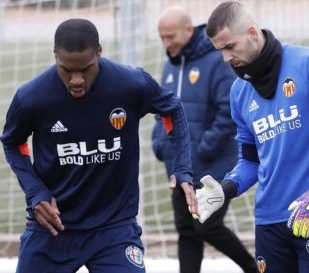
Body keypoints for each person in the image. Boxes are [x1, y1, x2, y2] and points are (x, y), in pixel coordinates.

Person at [0, 18, 197, 273]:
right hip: (53, 227)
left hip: (114, 228)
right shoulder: (32, 97)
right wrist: (35, 191)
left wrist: (181, 167)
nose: (76, 79)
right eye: (67, 70)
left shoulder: (131, 83)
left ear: (99, 52)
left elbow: (172, 109)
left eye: (85, 68)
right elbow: (13, 143)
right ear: (55, 56)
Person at [193, 1, 309, 272]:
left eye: (229, 47)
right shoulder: (239, 92)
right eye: (220, 51)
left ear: (252, 33)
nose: (226, 58)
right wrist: (226, 188)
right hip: (269, 220)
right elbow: (251, 161)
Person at [151, 6, 256, 273]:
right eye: (162, 37)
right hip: (179, 168)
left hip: (213, 166)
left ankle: (254, 268)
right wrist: (161, 143)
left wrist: (202, 148)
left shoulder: (216, 60)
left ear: (188, 30)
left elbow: (228, 111)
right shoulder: (170, 65)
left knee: (206, 226)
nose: (166, 43)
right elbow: (161, 110)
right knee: (187, 231)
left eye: (170, 36)